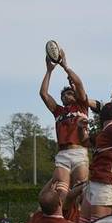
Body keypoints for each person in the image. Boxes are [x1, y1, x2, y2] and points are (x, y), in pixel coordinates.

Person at [40, 49, 90, 200]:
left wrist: (65, 66)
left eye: (69, 93)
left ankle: (81, 222)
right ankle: (63, 221)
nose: (65, 96)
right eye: (63, 95)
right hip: (62, 154)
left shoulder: (82, 106)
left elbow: (79, 83)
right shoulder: (58, 111)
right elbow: (43, 94)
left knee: (82, 191)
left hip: (79, 153)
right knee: (60, 194)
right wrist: (49, 71)